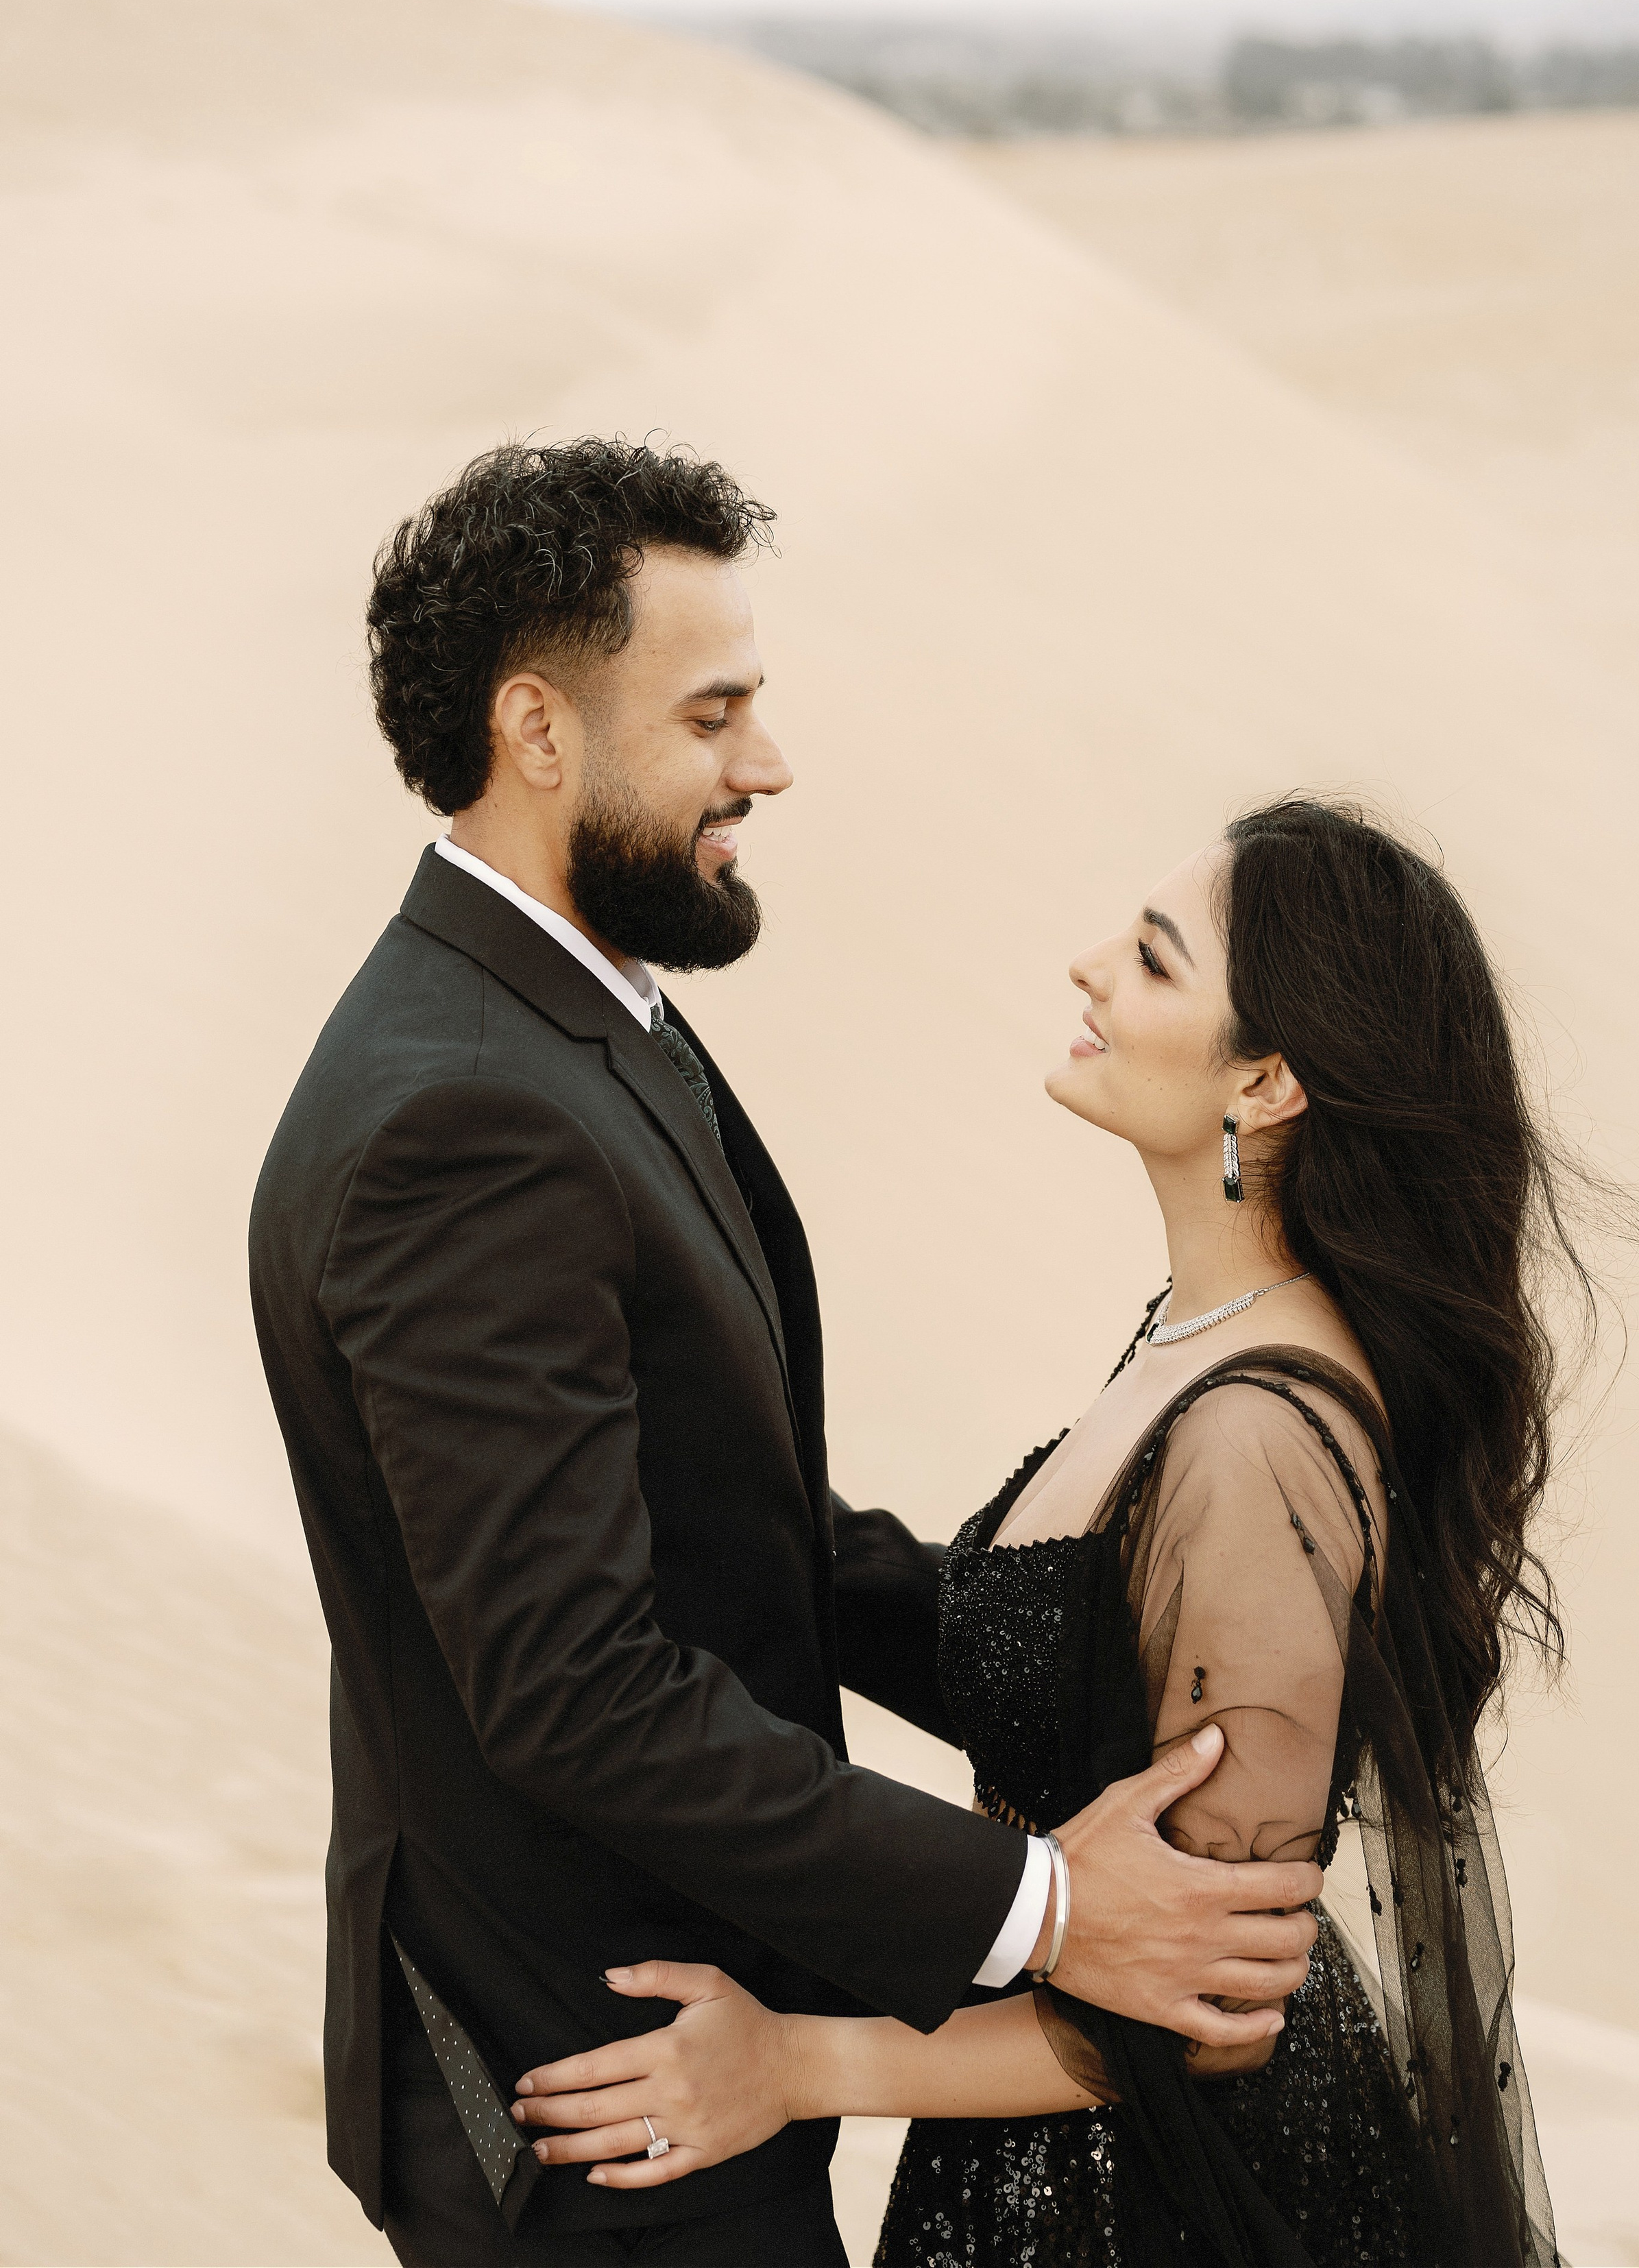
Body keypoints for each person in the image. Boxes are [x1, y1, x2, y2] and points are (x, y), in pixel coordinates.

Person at [248, 440, 1325, 2268]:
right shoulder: (467, 1123)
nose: (769, 761)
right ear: (541, 733)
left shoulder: (574, 1023)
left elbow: (746, 1531)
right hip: (587, 2094)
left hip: (677, 2039)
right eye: (716, 712)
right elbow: (577, 1686)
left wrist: (1089, 1686)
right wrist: (1053, 1911)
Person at [510, 798, 1570, 2268]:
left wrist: (797, 2064)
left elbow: (1207, 2016)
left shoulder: (1257, 1441)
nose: (1085, 967)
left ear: (1261, 1082)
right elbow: (1050, 1661)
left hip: (1147, 2207)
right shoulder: (1199, 1335)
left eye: (1147, 958)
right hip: (1038, 2160)